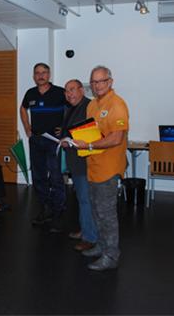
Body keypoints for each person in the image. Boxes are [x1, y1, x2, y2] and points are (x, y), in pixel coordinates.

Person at [73, 66, 129, 271]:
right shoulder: (92, 106)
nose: (97, 86)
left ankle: (111, 255)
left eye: (101, 81)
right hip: (93, 166)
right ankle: (101, 246)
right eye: (93, 82)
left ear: (110, 81)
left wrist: (87, 145)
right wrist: (76, 141)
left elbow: (116, 138)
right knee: (96, 211)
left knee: (107, 214)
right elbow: (92, 133)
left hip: (109, 168)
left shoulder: (117, 105)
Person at [20, 63, 67, 232]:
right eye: (37, 73)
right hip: (36, 141)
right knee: (38, 177)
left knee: (55, 177)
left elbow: (72, 109)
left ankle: (57, 213)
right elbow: (23, 108)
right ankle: (45, 209)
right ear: (34, 76)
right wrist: (27, 127)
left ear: (49, 75)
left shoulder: (60, 92)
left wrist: (64, 127)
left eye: (44, 73)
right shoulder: (30, 93)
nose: (40, 76)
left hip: (54, 142)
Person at [60, 80, 97, 251]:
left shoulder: (89, 106)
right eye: (67, 91)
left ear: (82, 90)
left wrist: (70, 141)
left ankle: (90, 237)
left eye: (73, 90)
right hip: (76, 161)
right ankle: (85, 230)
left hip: (85, 162)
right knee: (82, 199)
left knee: (85, 200)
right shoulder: (72, 108)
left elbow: (90, 136)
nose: (69, 94)